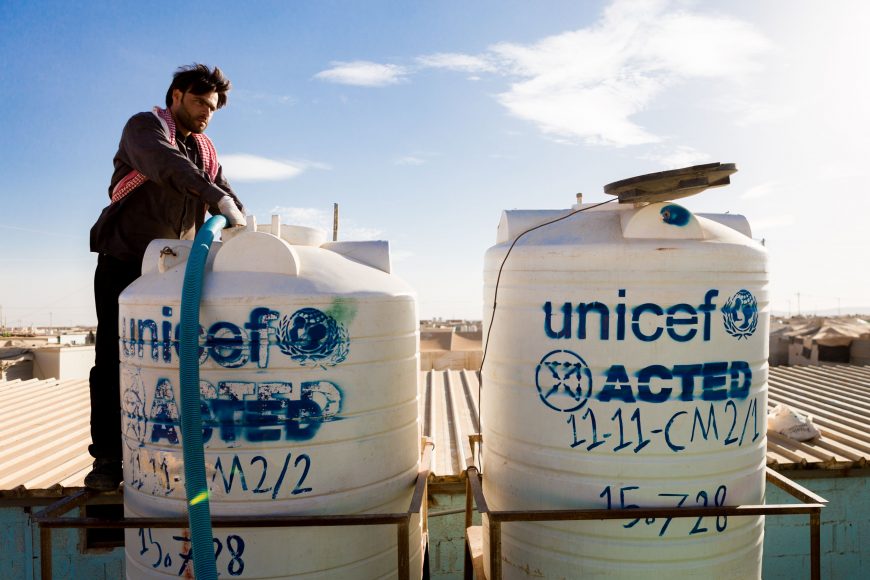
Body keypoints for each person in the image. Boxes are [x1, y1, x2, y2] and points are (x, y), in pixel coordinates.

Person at [86, 64, 246, 490]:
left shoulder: (206, 152)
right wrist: (214, 196)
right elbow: (165, 164)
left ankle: (169, 451)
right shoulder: (146, 129)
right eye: (198, 102)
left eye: (212, 108)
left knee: (172, 359)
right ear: (176, 95)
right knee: (113, 358)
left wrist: (244, 223)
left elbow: (227, 198)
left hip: (173, 272)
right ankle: (107, 460)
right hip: (124, 262)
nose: (206, 113)